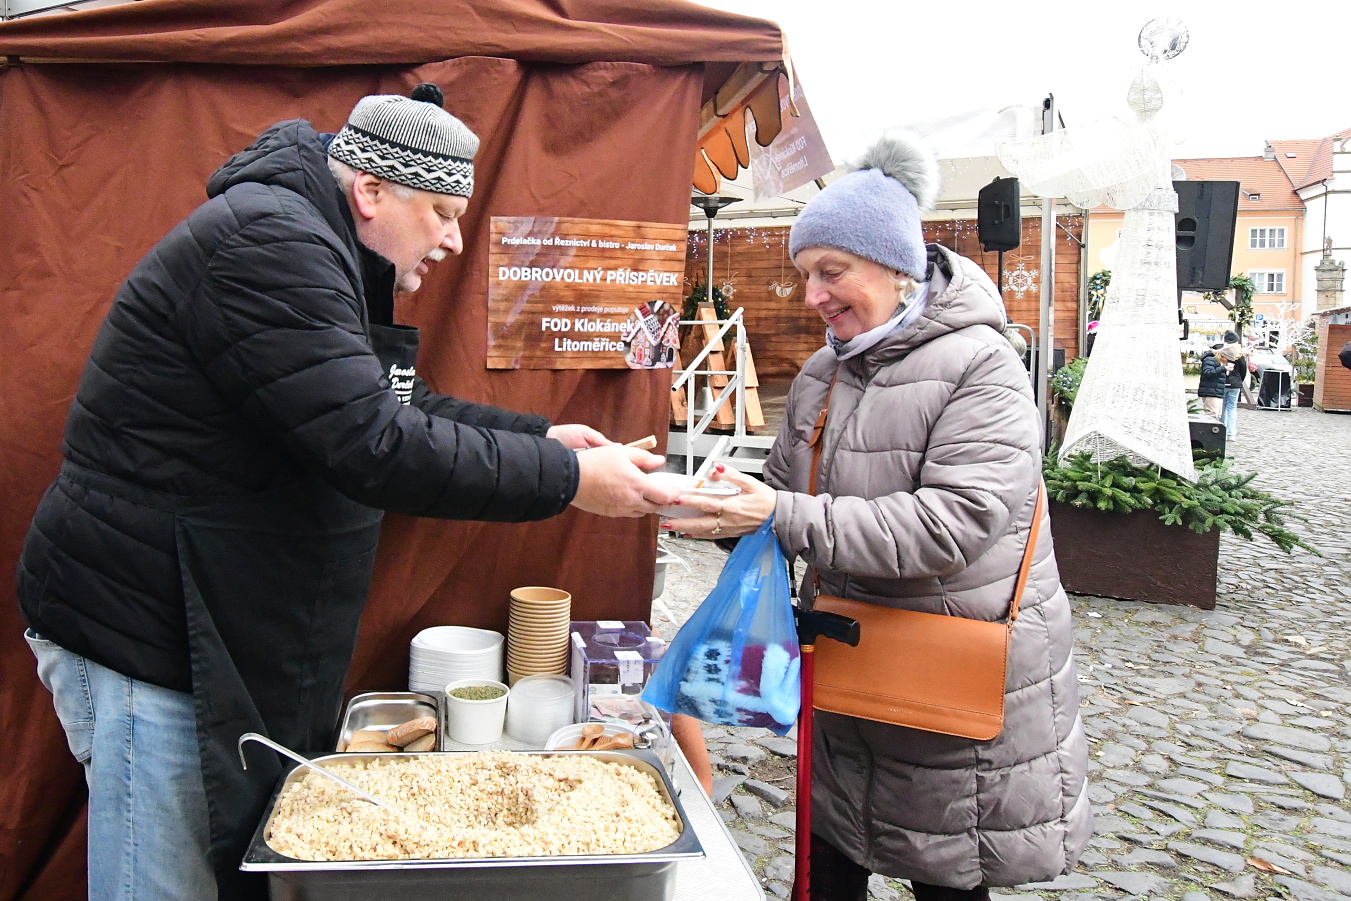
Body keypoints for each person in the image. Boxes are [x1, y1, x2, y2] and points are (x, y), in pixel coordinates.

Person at [15, 85, 681, 901]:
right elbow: (372, 442)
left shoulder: (319, 245)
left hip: (202, 618)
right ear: (371, 191)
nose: (451, 238)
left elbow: (391, 401)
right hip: (147, 629)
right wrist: (571, 482)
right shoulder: (269, 241)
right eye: (439, 211)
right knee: (161, 881)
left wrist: (540, 440)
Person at [669, 133, 1090, 899]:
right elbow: (781, 492)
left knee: (948, 878)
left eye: (832, 271)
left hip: (944, 693)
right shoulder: (823, 370)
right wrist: (707, 505)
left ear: (896, 266)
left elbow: (952, 525)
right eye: (804, 275)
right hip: (845, 678)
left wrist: (781, 509)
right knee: (828, 868)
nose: (813, 296)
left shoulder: (981, 365)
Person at [1220, 342, 1247, 437]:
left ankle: (1222, 430)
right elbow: (1243, 371)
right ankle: (1231, 432)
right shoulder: (1240, 356)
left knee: (1222, 408)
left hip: (1224, 382)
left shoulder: (1223, 354)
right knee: (1231, 408)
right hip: (1235, 384)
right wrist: (1239, 380)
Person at [1197, 345, 1228, 419]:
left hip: (1217, 391)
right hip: (1210, 392)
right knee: (1211, 416)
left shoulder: (1218, 361)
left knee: (1217, 415)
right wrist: (1223, 368)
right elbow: (1208, 373)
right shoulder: (1209, 360)